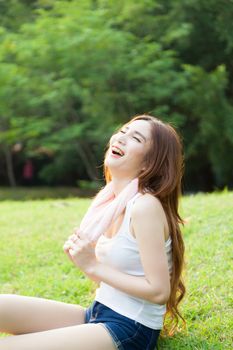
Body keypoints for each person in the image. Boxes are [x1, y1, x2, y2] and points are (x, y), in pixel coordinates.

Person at [0, 115, 186, 350]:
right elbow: (121, 274)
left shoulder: (145, 206)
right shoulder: (110, 200)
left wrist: (94, 266)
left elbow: (159, 291)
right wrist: (85, 261)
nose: (121, 138)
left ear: (148, 164)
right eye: (123, 131)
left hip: (129, 328)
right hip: (97, 312)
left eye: (135, 138)